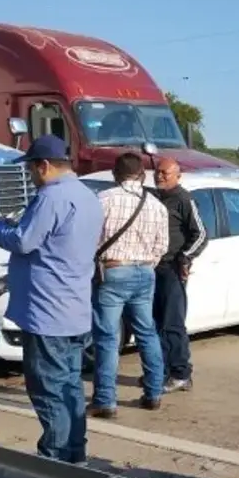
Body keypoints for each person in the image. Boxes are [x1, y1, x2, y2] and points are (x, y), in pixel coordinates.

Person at [0, 135, 103, 463]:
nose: (30, 176)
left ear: (44, 166)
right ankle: (74, 453)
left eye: (31, 170)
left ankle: (53, 459)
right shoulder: (86, 195)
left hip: (47, 310)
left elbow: (24, 242)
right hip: (74, 307)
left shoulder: (50, 198)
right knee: (69, 387)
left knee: (48, 389)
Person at [88, 153, 169, 417]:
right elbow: (162, 246)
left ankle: (105, 400)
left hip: (113, 269)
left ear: (115, 174)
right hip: (145, 271)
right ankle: (154, 392)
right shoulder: (157, 205)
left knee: (108, 338)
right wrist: (146, 263)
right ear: (142, 175)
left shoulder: (104, 200)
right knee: (147, 332)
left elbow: (92, 239)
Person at [149, 156, 207, 393]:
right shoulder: (152, 197)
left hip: (172, 269)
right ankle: (161, 372)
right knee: (155, 324)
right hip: (152, 268)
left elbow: (201, 234)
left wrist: (185, 258)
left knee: (173, 323)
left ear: (177, 176)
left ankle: (181, 373)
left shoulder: (184, 199)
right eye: (157, 172)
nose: (160, 176)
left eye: (165, 173)